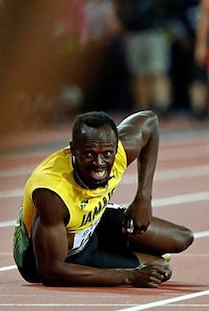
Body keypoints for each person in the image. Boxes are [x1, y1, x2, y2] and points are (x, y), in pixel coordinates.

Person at [13, 110, 194, 287]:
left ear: (116, 148)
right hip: (65, 255)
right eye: (89, 154)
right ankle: (114, 255)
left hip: (93, 221)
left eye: (107, 154)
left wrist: (143, 198)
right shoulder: (52, 194)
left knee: (182, 238)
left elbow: (150, 121)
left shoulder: (119, 153)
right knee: (160, 269)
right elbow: (50, 271)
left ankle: (117, 250)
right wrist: (129, 276)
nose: (99, 163)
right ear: (73, 149)